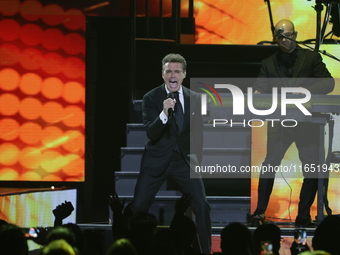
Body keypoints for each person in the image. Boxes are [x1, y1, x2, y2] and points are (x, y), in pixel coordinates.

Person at [249, 19, 335, 227]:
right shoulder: (268, 63)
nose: (283, 40)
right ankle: (260, 211)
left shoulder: (310, 57)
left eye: (287, 36)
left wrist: (305, 92)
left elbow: (328, 82)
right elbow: (260, 88)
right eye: (279, 37)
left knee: (313, 169)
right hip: (280, 123)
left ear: (295, 35)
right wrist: (259, 95)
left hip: (308, 123)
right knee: (269, 165)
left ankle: (303, 215)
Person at [132, 53, 212, 254]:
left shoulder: (195, 98)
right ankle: (133, 249)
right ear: (162, 74)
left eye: (177, 71)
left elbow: (199, 133)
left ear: (184, 74)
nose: (173, 75)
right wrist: (164, 113)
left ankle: (205, 251)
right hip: (156, 161)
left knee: (202, 206)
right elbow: (152, 132)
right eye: (169, 71)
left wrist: (197, 160)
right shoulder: (151, 98)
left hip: (183, 162)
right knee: (138, 207)